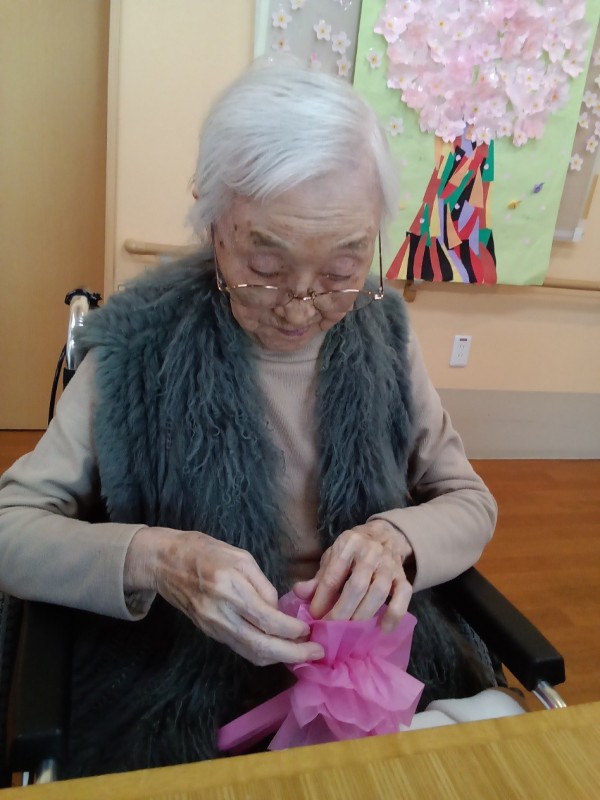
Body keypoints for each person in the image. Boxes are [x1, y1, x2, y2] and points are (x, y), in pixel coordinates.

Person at [0, 62, 498, 777]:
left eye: (342, 269)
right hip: (181, 673)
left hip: (370, 670)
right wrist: (157, 559)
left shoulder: (384, 333)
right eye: (265, 265)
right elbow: (12, 528)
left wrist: (395, 539)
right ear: (211, 220)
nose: (301, 306)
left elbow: (469, 500)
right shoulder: (136, 346)